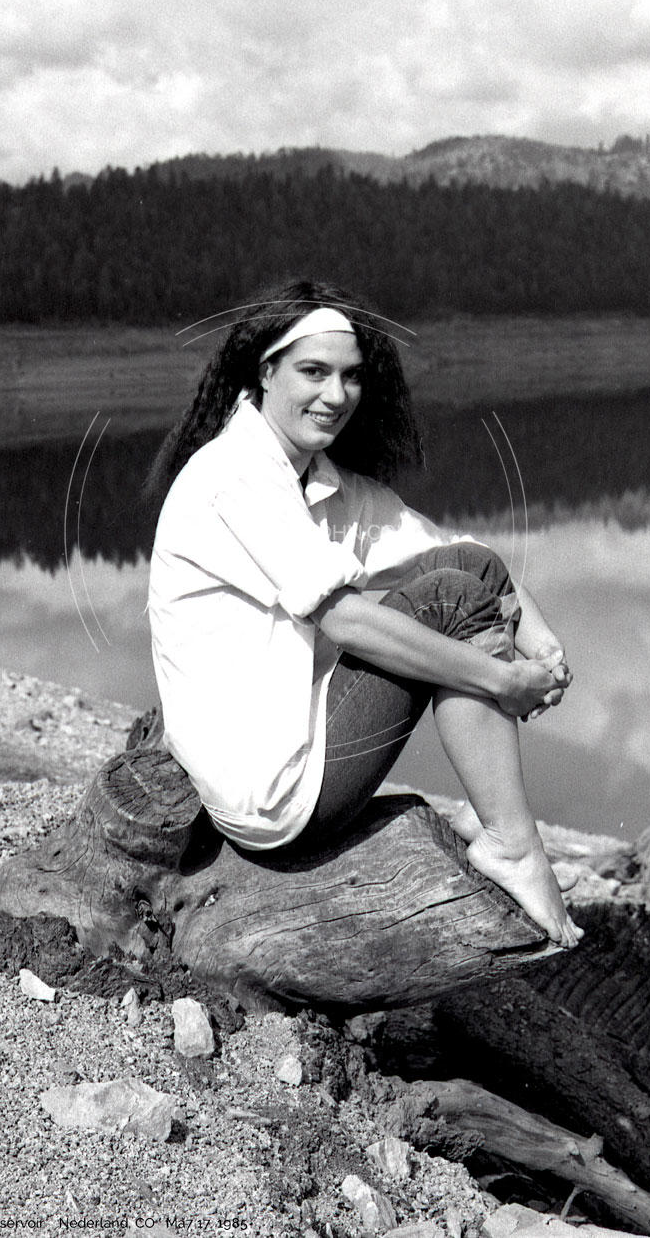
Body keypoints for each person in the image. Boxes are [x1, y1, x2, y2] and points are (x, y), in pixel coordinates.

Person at [147, 279, 581, 947]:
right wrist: (502, 679)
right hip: (275, 793)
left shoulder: (319, 479)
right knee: (449, 599)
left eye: (350, 376)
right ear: (264, 370)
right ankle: (512, 845)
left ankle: (496, 819)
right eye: (313, 372)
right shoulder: (233, 474)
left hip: (304, 741)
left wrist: (542, 646)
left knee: (466, 569)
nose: (336, 395)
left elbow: (461, 555)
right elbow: (344, 620)